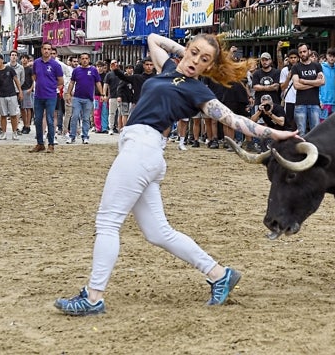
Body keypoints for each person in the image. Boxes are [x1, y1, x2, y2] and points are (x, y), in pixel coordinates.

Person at [54, 33, 299, 316]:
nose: (196, 61)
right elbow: (153, 39)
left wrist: (276, 133)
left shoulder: (198, 91)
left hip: (142, 150)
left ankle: (93, 297)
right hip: (143, 152)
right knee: (159, 232)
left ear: (208, 67)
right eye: (194, 53)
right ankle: (220, 274)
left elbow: (234, 120)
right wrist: (193, 54)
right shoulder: (169, 69)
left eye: (204, 60)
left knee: (108, 223)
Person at [30, 43, 64, 152]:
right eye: (45, 49)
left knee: (50, 120)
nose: (46, 51)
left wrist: (51, 87)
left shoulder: (55, 65)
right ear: (41, 50)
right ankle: (40, 143)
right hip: (38, 95)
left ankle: (51, 144)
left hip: (51, 96)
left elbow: (61, 81)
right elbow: (34, 76)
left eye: (49, 49)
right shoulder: (36, 63)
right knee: (38, 120)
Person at [66, 53, 103, 144]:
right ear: (80, 60)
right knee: (74, 117)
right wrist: (68, 93)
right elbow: (72, 82)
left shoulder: (93, 70)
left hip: (89, 98)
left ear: (89, 59)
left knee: (86, 118)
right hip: (77, 97)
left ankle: (85, 136)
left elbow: (98, 83)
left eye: (86, 58)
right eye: (82, 58)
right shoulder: (76, 70)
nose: (84, 60)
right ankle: (72, 136)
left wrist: (102, 94)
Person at [292, 43, 324, 135]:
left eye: (304, 51)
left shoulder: (317, 66)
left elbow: (322, 82)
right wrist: (315, 83)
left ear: (309, 51)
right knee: (301, 132)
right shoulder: (296, 67)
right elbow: (296, 85)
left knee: (316, 132)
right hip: (300, 104)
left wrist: (305, 82)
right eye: (300, 52)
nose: (302, 54)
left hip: (314, 103)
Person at [0, 53, 23, 141]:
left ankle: (14, 132)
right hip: (1, 95)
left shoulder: (10, 69)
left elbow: (16, 80)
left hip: (12, 94)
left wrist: (20, 91)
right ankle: (4, 133)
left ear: (2, 60)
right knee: (3, 115)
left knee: (13, 114)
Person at [319, 47, 335, 120]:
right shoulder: (320, 68)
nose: (332, 58)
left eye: (334, 56)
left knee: (333, 126)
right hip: (324, 102)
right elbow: (317, 85)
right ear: (326, 56)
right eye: (330, 56)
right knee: (322, 125)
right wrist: (319, 100)